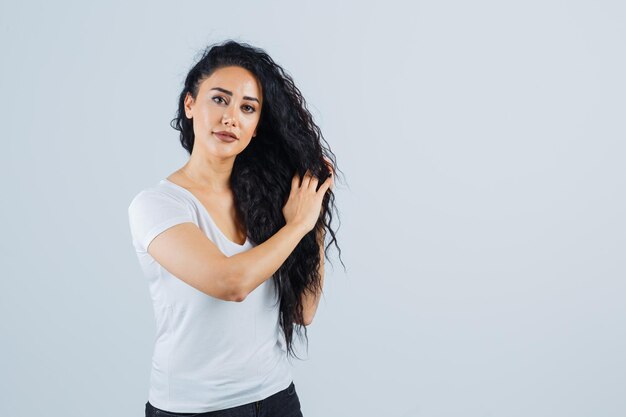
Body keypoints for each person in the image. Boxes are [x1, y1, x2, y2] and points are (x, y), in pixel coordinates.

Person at [127, 40, 342, 417]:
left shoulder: (266, 200)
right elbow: (231, 283)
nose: (231, 118)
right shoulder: (158, 205)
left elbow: (304, 312)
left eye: (247, 108)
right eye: (219, 100)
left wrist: (315, 217)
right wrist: (299, 224)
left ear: (257, 127)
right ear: (190, 104)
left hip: (276, 397)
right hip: (194, 408)